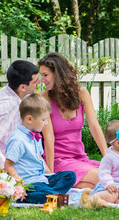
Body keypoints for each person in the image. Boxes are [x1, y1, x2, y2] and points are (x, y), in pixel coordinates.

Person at [38, 52, 108, 189]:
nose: (42, 80)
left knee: (116, 173)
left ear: (58, 74)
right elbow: (48, 137)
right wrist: (51, 174)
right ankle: (63, 180)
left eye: (45, 75)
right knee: (102, 177)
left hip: (80, 157)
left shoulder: (82, 94)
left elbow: (94, 127)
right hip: (58, 160)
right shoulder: (43, 98)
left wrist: (108, 157)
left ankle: (73, 183)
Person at [4, 93, 76, 203]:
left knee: (70, 176)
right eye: (43, 119)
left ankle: (51, 194)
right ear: (29, 119)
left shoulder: (35, 135)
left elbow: (39, 158)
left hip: (41, 178)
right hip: (29, 182)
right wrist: (19, 184)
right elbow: (8, 165)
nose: (46, 123)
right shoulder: (18, 140)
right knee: (47, 193)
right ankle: (22, 196)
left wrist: (50, 174)